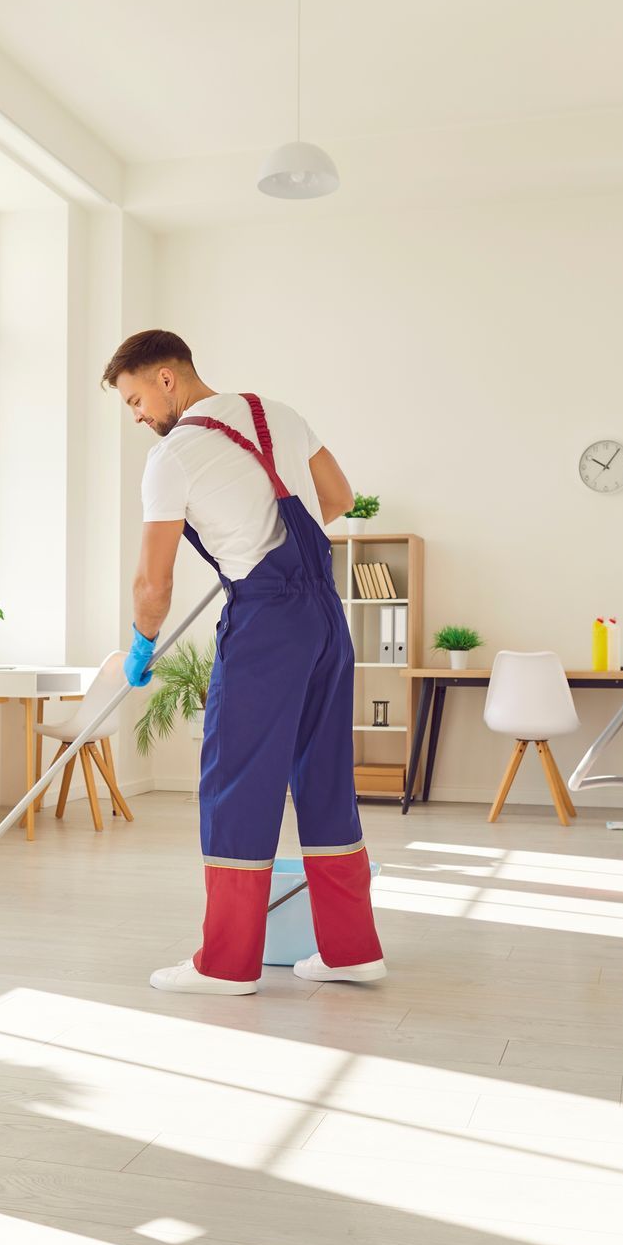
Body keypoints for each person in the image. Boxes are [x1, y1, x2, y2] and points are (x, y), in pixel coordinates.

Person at [103, 329, 386, 995]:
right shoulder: (278, 413)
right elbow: (338, 498)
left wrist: (142, 643)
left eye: (136, 399)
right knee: (325, 781)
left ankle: (226, 964)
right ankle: (351, 950)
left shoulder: (172, 457)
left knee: (235, 782)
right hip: (326, 617)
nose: (137, 416)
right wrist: (253, 537)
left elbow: (153, 584)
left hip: (265, 626)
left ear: (166, 378)